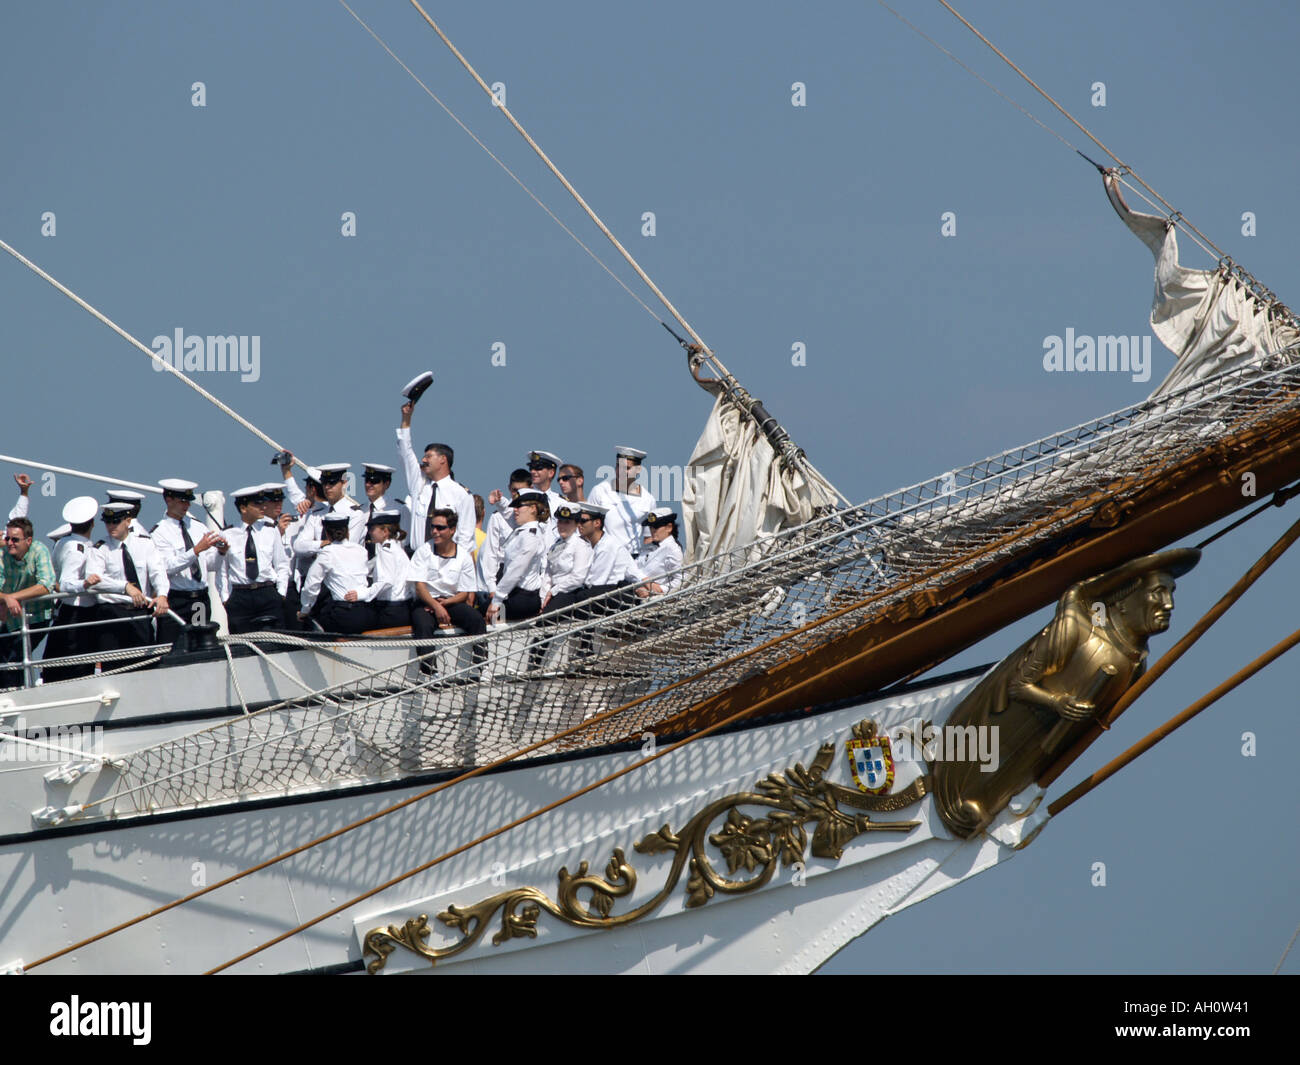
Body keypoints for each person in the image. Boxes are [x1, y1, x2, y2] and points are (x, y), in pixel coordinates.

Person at [407, 508, 487, 673]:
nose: (434, 531)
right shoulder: (423, 551)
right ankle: (430, 672)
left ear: (452, 530)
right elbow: (419, 586)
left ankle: (482, 666)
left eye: (440, 528)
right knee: (423, 625)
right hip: (426, 602)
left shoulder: (464, 556)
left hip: (451, 601)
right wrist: (436, 606)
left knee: (476, 619)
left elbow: (465, 593)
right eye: (432, 527)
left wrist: (446, 603)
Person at [87, 502, 170, 653]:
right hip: (112, 613)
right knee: (114, 666)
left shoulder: (145, 543)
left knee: (144, 663)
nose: (111, 526)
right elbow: (94, 580)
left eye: (116, 521)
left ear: (128, 520)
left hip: (139, 612)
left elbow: (158, 572)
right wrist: (125, 587)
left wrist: (162, 595)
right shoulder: (100, 549)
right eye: (107, 522)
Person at [396, 401, 475, 554]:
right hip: (415, 558)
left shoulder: (461, 495)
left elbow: (465, 538)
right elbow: (405, 453)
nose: (424, 460)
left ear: (442, 460)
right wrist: (406, 419)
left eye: (428, 456)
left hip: (444, 562)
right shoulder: (418, 484)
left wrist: (454, 565)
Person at [150, 478, 221, 642]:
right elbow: (167, 567)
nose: (186, 506)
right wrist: (195, 550)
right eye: (182, 501)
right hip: (178, 600)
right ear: (168, 499)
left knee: (202, 642)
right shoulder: (159, 533)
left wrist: (221, 553)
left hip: (200, 599)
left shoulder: (198, 526)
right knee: (172, 644)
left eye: (188, 501)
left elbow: (208, 564)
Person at [42, 496, 103, 681]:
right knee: (77, 667)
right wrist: (84, 584)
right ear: (92, 524)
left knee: (58, 661)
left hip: (65, 612)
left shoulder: (62, 542)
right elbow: (67, 583)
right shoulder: (77, 549)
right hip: (78, 614)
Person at [214, 486, 289, 634]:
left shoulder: (271, 530)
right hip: (240, 597)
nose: (263, 507)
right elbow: (221, 570)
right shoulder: (227, 534)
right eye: (257, 504)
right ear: (243, 508)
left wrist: (281, 593)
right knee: (242, 644)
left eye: (263, 503)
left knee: (276, 642)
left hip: (268, 593)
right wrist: (226, 599)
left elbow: (282, 564)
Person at [0, 515, 57, 687]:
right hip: (12, 620)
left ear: (28, 540)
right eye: (7, 538)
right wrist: (6, 599)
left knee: (16, 656)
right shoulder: (2, 555)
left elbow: (47, 585)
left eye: (15, 539)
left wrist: (12, 598)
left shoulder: (39, 551)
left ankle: (16, 697)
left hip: (38, 616)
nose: (10, 543)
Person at [299, 514, 380, 634]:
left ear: (327, 533)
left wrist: (304, 611)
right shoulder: (361, 551)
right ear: (347, 532)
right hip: (366, 613)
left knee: (309, 622)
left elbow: (311, 585)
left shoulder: (327, 553)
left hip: (344, 615)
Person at [486, 492, 548, 624]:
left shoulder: (531, 537)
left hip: (523, 598)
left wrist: (497, 600)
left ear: (532, 509)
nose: (515, 510)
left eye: (519, 506)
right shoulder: (523, 530)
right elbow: (508, 513)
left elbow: (515, 571)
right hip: (514, 594)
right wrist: (500, 501)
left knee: (482, 614)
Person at [586, 446, 656, 560]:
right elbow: (587, 527)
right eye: (619, 466)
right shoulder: (600, 491)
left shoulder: (648, 500)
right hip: (604, 556)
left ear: (638, 470)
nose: (622, 472)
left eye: (627, 468)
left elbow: (648, 537)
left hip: (633, 558)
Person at [478, 468, 531, 607]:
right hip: (502, 577)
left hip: (528, 580)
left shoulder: (537, 519)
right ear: (509, 488)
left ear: (531, 489)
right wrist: (492, 587)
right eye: (514, 491)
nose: (517, 495)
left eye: (522, 491)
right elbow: (490, 553)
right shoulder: (498, 517)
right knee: (497, 621)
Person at [576, 500, 643, 603]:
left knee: (578, 597)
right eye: (577, 521)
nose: (579, 525)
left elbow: (596, 581)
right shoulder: (592, 544)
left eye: (583, 521)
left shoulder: (607, 546)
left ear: (597, 523)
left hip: (613, 593)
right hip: (604, 592)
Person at [541, 502, 593, 613]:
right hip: (554, 593)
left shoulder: (581, 545)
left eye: (567, 522)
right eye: (560, 521)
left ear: (576, 525)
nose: (562, 526)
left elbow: (578, 578)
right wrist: (542, 597)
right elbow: (548, 574)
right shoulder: (555, 545)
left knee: (546, 620)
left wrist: (553, 591)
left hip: (571, 592)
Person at [367, 511, 413, 628]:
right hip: (401, 607)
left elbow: (386, 581)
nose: (369, 532)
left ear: (385, 532)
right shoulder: (394, 548)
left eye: (373, 529)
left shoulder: (386, 551)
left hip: (390, 610)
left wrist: (363, 594)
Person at [636, 508, 685, 595]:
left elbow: (680, 580)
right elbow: (634, 569)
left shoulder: (673, 550)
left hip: (649, 599)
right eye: (651, 527)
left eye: (656, 526)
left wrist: (658, 590)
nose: (653, 530)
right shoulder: (648, 548)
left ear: (669, 528)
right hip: (632, 589)